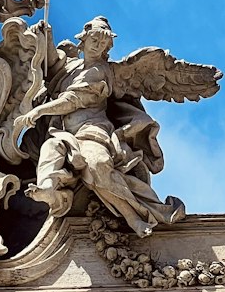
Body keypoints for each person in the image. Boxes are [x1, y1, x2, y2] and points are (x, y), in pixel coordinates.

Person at [13, 17, 185, 236]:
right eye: (94, 39)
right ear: (83, 40)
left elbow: (74, 99)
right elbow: (54, 65)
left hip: (91, 133)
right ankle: (48, 189)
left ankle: (137, 216)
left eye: (103, 43)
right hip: (63, 132)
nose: (97, 45)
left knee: (97, 165)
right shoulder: (72, 67)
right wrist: (46, 36)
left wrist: (39, 111)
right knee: (51, 149)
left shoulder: (100, 72)